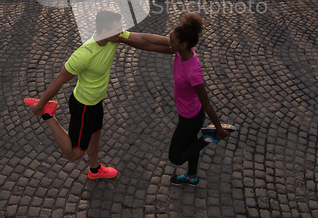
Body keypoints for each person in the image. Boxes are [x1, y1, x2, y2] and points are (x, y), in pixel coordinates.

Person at [24, 10, 161, 180]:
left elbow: (143, 39)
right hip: (83, 107)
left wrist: (172, 44)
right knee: (74, 154)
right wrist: (39, 105)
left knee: (94, 137)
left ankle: (95, 170)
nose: (122, 32)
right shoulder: (84, 54)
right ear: (105, 32)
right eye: (118, 29)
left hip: (96, 103)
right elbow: (59, 81)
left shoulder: (112, 37)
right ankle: (47, 114)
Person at [118, 13, 230, 186]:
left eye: (171, 41)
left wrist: (219, 128)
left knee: (176, 158)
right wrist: (123, 39)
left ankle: (209, 137)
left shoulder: (193, 72)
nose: (168, 42)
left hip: (191, 118)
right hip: (187, 112)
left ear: (183, 45)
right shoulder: (180, 52)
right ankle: (192, 178)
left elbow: (206, 103)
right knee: (191, 146)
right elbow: (148, 43)